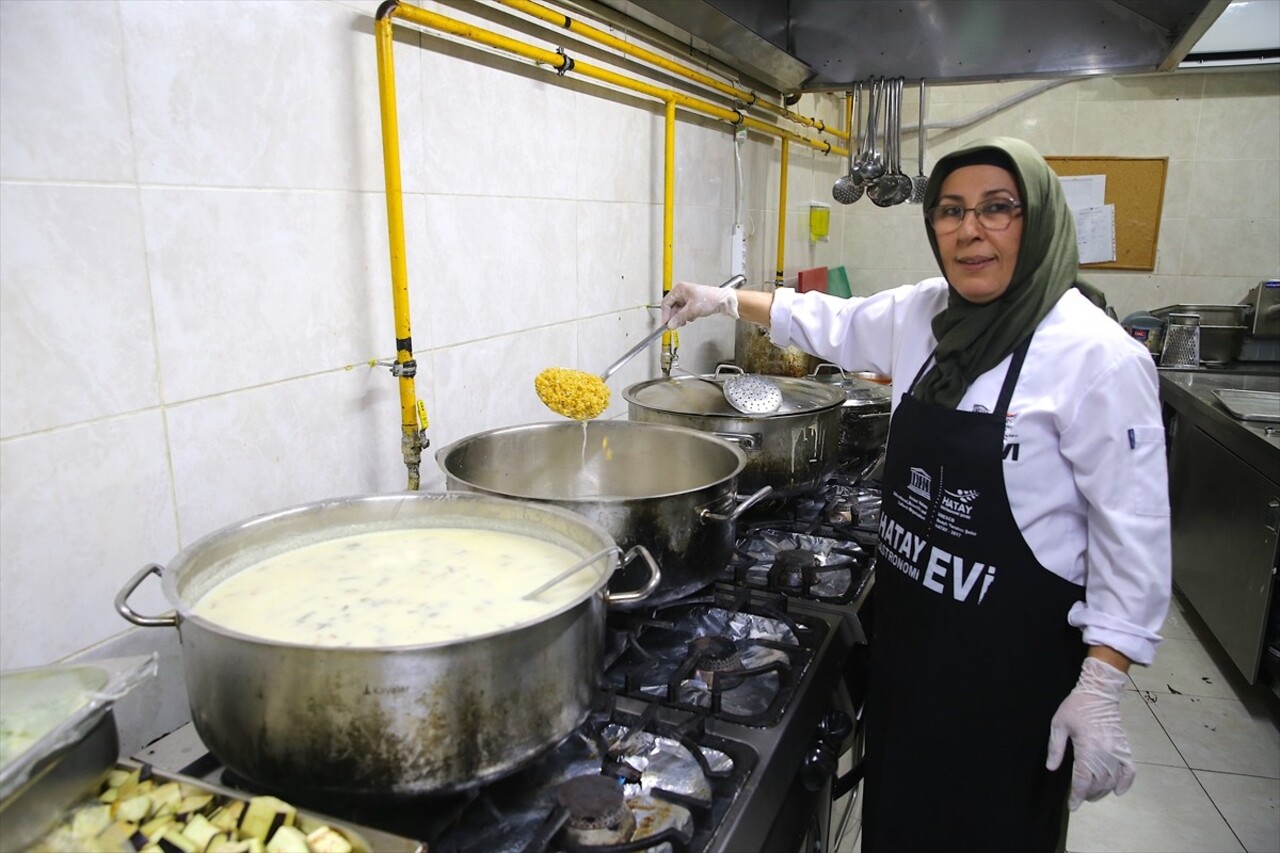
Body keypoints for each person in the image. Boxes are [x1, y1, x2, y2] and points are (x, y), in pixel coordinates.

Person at [661, 137, 1171, 852]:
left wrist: (1104, 683)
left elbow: (1134, 534)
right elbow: (828, 320)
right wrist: (720, 298)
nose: (970, 231)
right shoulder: (926, 313)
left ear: (1042, 220)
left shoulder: (1098, 356)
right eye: (951, 211)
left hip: (1010, 677)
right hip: (912, 650)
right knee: (898, 823)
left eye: (998, 209)